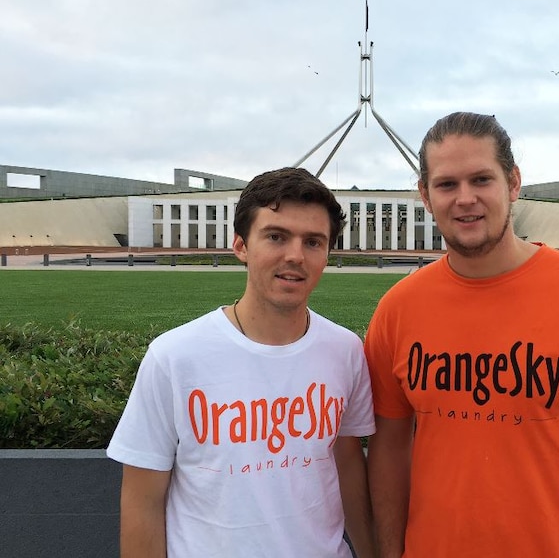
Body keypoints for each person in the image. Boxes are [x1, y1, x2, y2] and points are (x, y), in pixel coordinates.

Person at [364, 112, 559, 558]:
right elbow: (388, 451)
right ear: (426, 197)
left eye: (481, 180)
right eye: (447, 184)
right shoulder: (399, 308)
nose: (465, 199)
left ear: (512, 183)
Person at [107, 167, 376, 558]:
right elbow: (142, 501)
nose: (295, 256)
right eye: (276, 236)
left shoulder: (345, 350)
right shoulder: (174, 357)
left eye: (313, 242)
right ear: (241, 245)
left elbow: (347, 466)